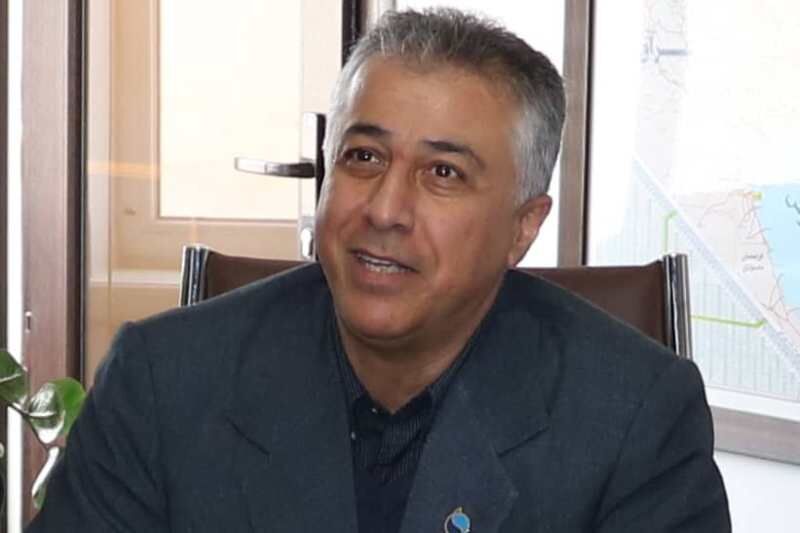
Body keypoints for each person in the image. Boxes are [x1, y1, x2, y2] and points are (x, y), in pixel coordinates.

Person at [29, 8, 730, 533]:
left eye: (443, 172)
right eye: (363, 157)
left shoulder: (635, 418)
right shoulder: (163, 381)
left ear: (523, 226)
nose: (386, 209)